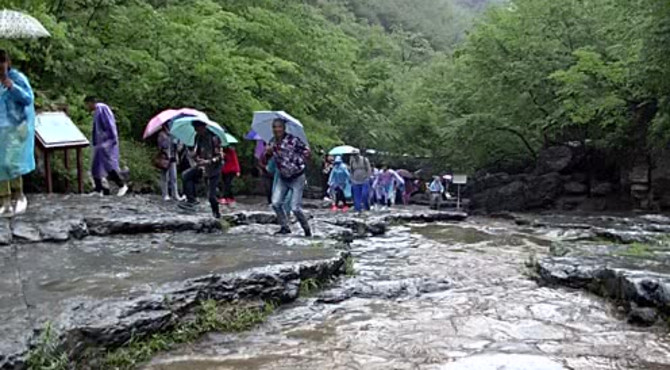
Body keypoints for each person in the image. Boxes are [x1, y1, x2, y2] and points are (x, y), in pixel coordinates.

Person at [0, 50, 35, 217]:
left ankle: (19, 195)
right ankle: (4, 200)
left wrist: (12, 86)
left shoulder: (17, 78)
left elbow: (28, 98)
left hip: (15, 127)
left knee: (10, 163)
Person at [263, 118, 311, 236]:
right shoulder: (272, 142)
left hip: (297, 176)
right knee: (275, 203)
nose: (277, 129)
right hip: (283, 177)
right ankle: (285, 227)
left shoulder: (293, 140)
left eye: (279, 127)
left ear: (284, 128)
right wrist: (267, 153)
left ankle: (306, 229)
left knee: (295, 208)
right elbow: (265, 160)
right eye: (274, 127)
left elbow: (306, 152)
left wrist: (306, 154)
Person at [85, 96, 129, 197]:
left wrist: (112, 139)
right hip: (100, 143)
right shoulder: (97, 111)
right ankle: (98, 189)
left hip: (106, 142)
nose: (87, 107)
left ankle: (122, 185)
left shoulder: (102, 109)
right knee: (95, 167)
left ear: (91, 103)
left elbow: (109, 125)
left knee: (108, 165)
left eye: (87, 104)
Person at [178, 121, 224, 218]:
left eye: (197, 128)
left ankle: (217, 214)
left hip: (214, 169)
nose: (196, 130)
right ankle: (192, 200)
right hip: (201, 166)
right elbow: (197, 152)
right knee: (185, 175)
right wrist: (195, 157)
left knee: (211, 196)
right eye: (195, 128)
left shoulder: (214, 138)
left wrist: (208, 161)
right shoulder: (198, 137)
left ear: (203, 127)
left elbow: (220, 156)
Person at [156, 125, 184, 201]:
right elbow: (161, 146)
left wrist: (178, 142)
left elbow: (180, 148)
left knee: (174, 177)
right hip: (165, 157)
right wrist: (168, 140)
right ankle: (165, 194)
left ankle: (175, 194)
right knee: (165, 176)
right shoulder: (161, 134)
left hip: (173, 157)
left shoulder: (175, 134)